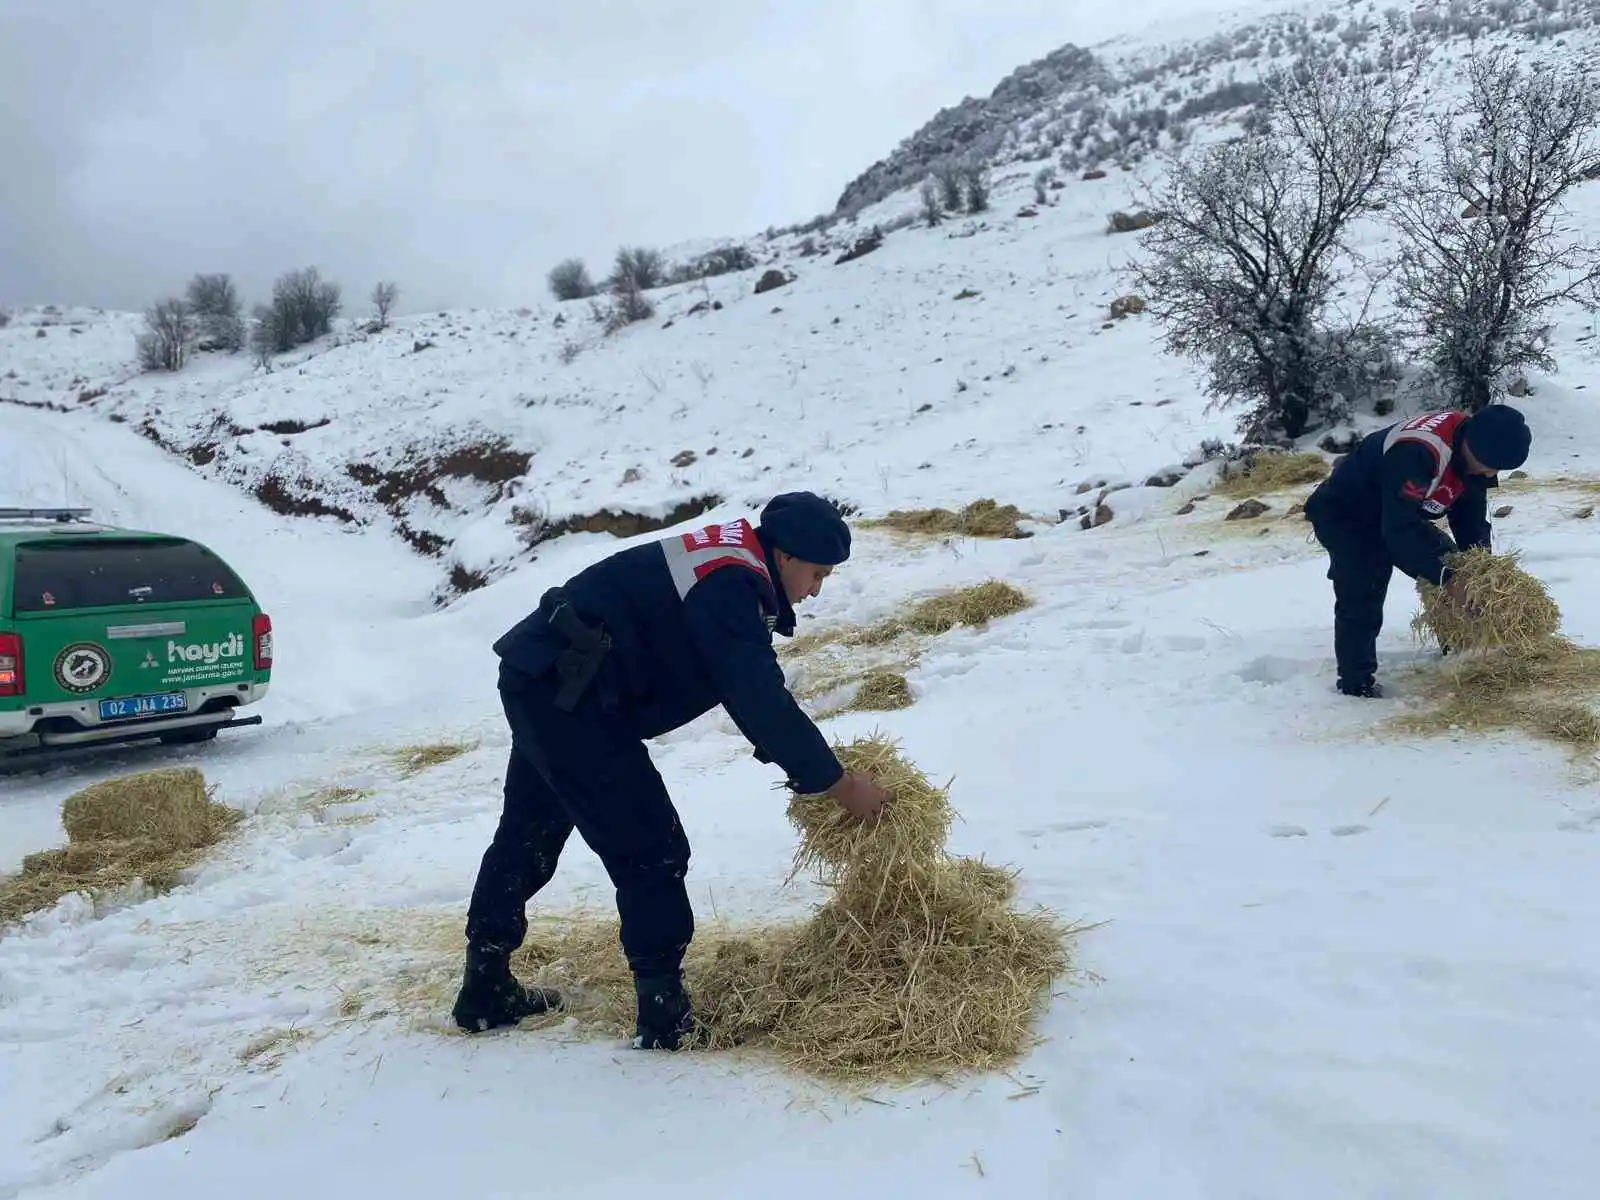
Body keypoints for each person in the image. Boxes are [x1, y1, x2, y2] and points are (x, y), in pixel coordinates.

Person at [451, 491, 893, 1048]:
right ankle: (664, 1016)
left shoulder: (737, 562)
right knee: (651, 847)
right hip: (570, 692)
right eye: (817, 573)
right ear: (785, 556)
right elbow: (756, 696)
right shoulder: (733, 583)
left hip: (550, 679)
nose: (816, 590)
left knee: (530, 832)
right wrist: (838, 783)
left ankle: (485, 986)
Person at [1303, 403, 1531, 698]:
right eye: (1487, 464)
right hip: (1347, 513)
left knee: (1452, 562)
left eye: (1496, 468)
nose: (1489, 472)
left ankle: (1461, 650)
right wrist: (1448, 580)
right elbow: (1398, 534)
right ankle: (1355, 685)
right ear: (1470, 445)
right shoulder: (1419, 452)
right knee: (1365, 585)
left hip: (1395, 511)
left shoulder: (1474, 449)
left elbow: (1469, 517)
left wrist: (1480, 570)